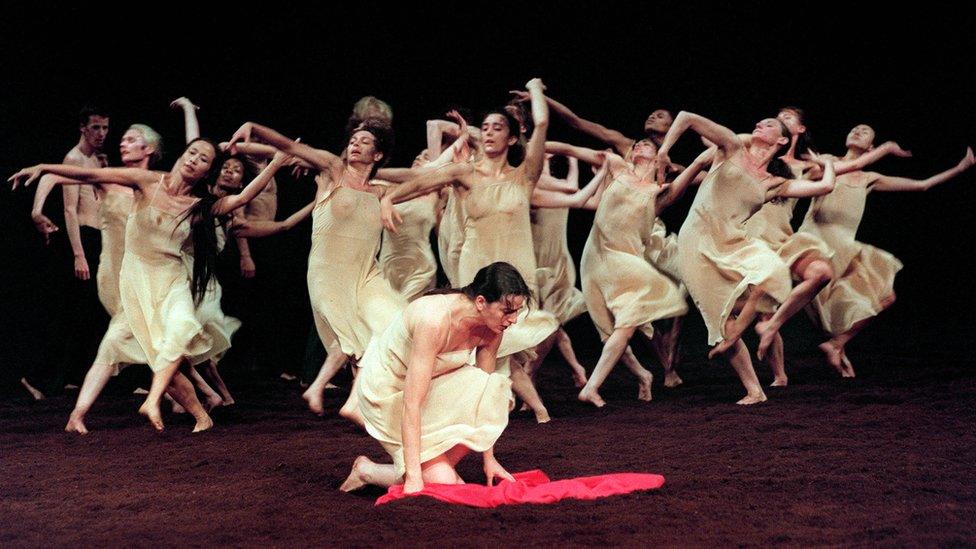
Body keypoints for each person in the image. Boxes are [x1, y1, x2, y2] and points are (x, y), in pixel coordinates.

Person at [11, 138, 284, 431]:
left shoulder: (199, 206)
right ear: (182, 155)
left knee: (180, 332)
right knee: (141, 351)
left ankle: (154, 400)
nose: (194, 160)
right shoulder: (147, 181)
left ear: (208, 172)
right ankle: (196, 414)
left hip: (172, 280)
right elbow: (92, 174)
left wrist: (277, 163)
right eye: (191, 152)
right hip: (137, 282)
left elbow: (241, 199)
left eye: (203, 159)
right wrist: (42, 167)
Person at [379, 79, 562, 423]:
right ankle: (470, 410)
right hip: (477, 269)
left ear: (511, 138)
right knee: (475, 341)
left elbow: (540, 123)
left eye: (498, 128)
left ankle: (489, 403)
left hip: (517, 268)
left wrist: (536, 89)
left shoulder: (524, 176)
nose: (489, 133)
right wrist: (389, 197)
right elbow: (422, 181)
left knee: (519, 338)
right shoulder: (466, 173)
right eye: (486, 127)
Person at [225, 117, 406, 422]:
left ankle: (342, 397)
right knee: (352, 336)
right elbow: (290, 146)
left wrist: (389, 197)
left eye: (364, 142)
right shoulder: (333, 170)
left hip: (366, 273)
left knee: (389, 326)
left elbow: (424, 177)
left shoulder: (379, 189)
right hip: (328, 271)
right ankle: (349, 399)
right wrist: (255, 127)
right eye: (353, 139)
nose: (355, 143)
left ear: (377, 155)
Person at [657, 112, 836, 404]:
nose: (759, 124)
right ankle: (754, 389)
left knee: (773, 270)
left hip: (733, 240)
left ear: (781, 139)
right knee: (718, 321)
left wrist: (827, 164)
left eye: (768, 124)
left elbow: (825, 187)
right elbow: (686, 117)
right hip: (696, 240)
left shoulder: (772, 183)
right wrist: (664, 151)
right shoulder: (732, 147)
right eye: (759, 122)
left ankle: (749, 327)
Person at [546, 140, 710, 406]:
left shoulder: (661, 192)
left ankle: (591, 387)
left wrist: (714, 150)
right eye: (638, 144)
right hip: (595, 257)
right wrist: (537, 145)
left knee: (628, 321)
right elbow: (573, 148)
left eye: (649, 145)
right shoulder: (616, 167)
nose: (641, 145)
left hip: (626, 261)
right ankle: (643, 375)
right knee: (608, 331)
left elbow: (699, 165)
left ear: (661, 158)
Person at [800, 126, 974, 376]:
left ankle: (837, 345)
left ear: (870, 147)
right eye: (855, 129)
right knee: (795, 299)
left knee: (886, 297)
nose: (859, 131)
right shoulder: (828, 161)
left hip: (846, 250)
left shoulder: (869, 178)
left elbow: (921, 185)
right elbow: (810, 176)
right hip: (814, 242)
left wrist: (961, 168)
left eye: (866, 131)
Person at [340, 262, 527, 493]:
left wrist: (489, 459)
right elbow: (411, 403)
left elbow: (484, 397)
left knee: (495, 390)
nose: (514, 319)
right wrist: (414, 480)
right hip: (387, 391)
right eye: (508, 311)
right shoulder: (433, 320)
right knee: (444, 483)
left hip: (431, 385)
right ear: (480, 302)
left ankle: (420, 468)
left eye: (517, 311)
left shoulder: (493, 328)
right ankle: (372, 470)